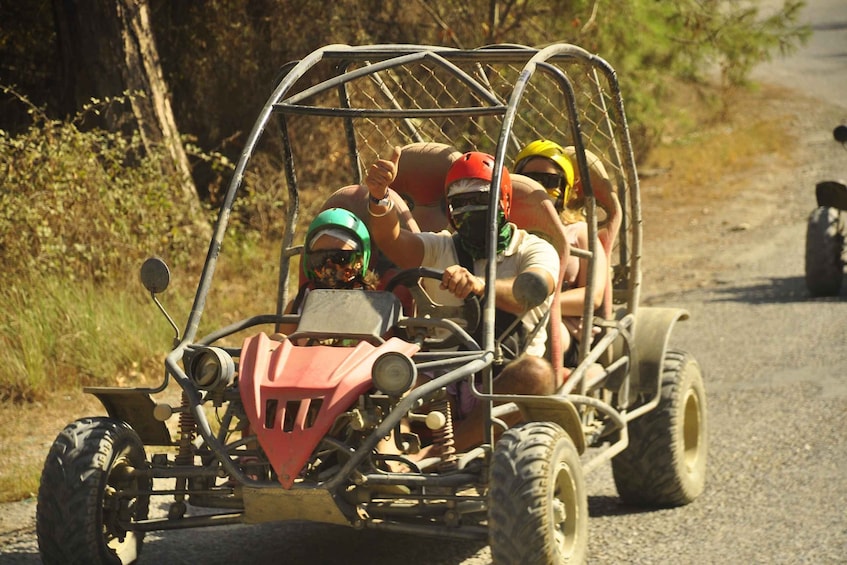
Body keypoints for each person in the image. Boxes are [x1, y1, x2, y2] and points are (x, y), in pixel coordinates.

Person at [365, 147, 561, 453]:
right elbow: (392, 240)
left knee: (535, 374)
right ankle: (390, 461)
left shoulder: (534, 250)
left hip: (502, 375)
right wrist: (380, 197)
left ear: (503, 202)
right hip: (439, 374)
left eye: (479, 201)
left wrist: (481, 286)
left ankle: (442, 453)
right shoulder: (440, 246)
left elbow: (532, 290)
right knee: (386, 374)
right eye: (459, 203)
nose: (468, 211)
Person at [513, 139, 609, 367]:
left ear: (566, 188)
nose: (538, 188)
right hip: (509, 319)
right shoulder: (507, 231)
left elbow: (593, 296)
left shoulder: (579, 232)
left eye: (549, 181)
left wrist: (539, 303)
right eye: (530, 180)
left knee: (538, 336)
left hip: (560, 326)